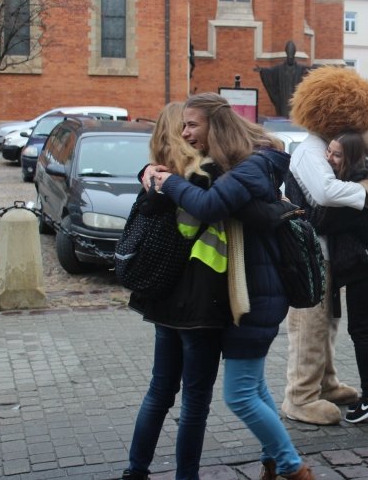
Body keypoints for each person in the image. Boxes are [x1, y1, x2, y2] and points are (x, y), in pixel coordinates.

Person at [149, 93, 315, 480]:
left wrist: (168, 181)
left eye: (192, 124)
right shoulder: (244, 165)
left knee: (238, 395)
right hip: (254, 289)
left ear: (217, 126)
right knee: (254, 388)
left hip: (256, 294)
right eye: (183, 125)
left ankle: (293, 468)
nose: (185, 132)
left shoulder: (249, 169)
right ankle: (274, 462)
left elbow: (207, 206)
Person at [122, 102, 228, 480]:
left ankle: (136, 470)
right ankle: (187, 476)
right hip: (201, 303)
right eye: (186, 124)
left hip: (163, 295)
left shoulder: (156, 175)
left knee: (159, 390)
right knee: (195, 402)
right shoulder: (206, 175)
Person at [310, 133, 368, 423]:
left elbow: (320, 220)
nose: (328, 159)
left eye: (336, 155)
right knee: (361, 330)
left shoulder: (353, 190)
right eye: (329, 152)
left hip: (364, 268)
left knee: (360, 331)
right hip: (363, 266)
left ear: (352, 158)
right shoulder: (355, 182)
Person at [255, 40, 312, 117]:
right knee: (284, 114)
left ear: (294, 54)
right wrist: (262, 71)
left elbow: (310, 70)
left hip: (295, 100)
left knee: (295, 115)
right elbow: (270, 72)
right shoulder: (280, 69)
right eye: (289, 55)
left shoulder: (300, 69)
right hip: (284, 99)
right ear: (286, 54)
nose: (290, 57)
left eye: (292, 55)